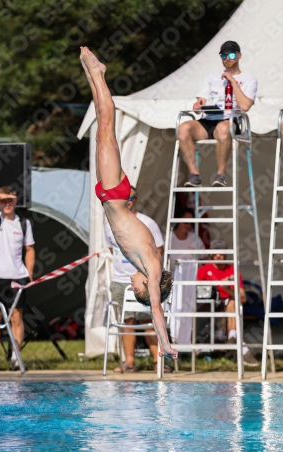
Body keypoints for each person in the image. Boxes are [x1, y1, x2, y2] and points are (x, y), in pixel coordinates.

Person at [80, 46, 177, 361]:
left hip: (111, 196)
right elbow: (157, 311)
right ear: (149, 284)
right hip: (115, 194)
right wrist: (166, 343)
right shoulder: (151, 266)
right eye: (140, 288)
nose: (133, 283)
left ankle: (92, 76)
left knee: (101, 133)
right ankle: (98, 74)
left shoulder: (143, 266)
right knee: (106, 127)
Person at [105, 185, 167, 372]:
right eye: (124, 197)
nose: (127, 201)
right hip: (120, 280)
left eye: (131, 198)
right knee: (127, 322)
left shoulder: (147, 223)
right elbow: (112, 249)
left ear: (136, 200)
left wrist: (145, 274)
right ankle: (129, 361)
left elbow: (159, 252)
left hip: (143, 281)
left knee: (148, 321)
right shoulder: (110, 224)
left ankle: (158, 361)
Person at [178, 40, 257, 188]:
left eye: (231, 55)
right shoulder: (211, 78)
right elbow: (202, 99)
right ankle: (194, 174)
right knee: (183, 128)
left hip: (231, 120)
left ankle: (221, 174)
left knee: (222, 128)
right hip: (209, 119)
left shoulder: (249, 79)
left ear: (239, 56)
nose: (227, 58)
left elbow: (245, 106)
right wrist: (198, 105)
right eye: (224, 55)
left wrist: (232, 81)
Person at [0, 186, 35, 371]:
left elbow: (30, 249)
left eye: (11, 200)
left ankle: (16, 357)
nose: (7, 204)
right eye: (4, 201)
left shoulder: (24, 223)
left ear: (17, 201)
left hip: (17, 277)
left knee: (16, 317)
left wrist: (29, 273)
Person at [197, 239, 259, 366]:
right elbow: (196, 294)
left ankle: (231, 338)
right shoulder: (203, 270)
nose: (218, 255)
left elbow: (243, 298)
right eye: (215, 252)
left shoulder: (233, 271)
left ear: (226, 254)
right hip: (209, 307)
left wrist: (227, 288)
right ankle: (241, 346)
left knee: (233, 303)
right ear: (211, 254)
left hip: (229, 307)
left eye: (221, 252)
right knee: (232, 305)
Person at [169, 208, 206, 344]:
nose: (188, 225)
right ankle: (172, 339)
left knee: (187, 309)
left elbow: (204, 257)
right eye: (186, 221)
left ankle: (184, 342)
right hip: (170, 282)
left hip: (190, 282)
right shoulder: (168, 237)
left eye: (191, 222)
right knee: (172, 308)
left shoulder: (195, 238)